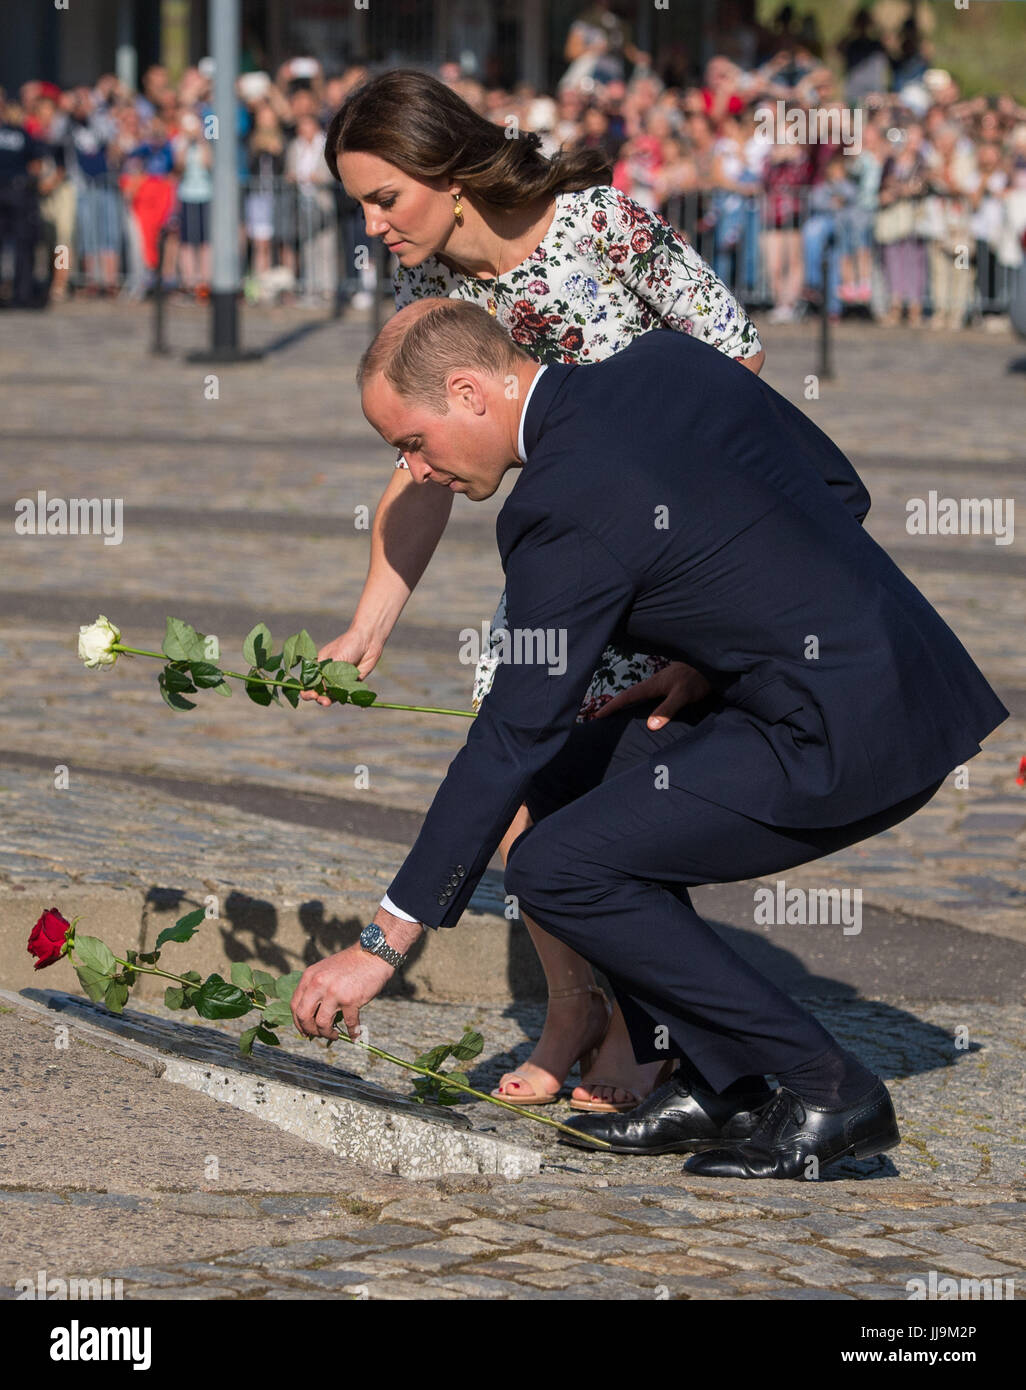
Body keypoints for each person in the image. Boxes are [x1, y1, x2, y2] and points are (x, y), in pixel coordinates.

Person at [291, 297, 1007, 1178]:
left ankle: (830, 1091)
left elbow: (508, 736)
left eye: (411, 441)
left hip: (846, 731)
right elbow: (836, 490)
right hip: (874, 681)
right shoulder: (666, 363)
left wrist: (381, 946)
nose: (415, 470)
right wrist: (708, 659)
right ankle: (721, 1080)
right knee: (563, 783)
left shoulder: (557, 507)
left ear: (469, 392)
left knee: (558, 867)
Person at [314, 67, 765, 1114]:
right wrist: (367, 623)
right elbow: (421, 459)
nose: (375, 225)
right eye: (361, 207)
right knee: (516, 795)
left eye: (386, 197)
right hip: (558, 570)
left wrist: (715, 579)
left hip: (667, 561)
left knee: (626, 791)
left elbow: (737, 366)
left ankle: (655, 1033)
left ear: (446, 173)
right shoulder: (427, 293)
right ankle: (574, 1010)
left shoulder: (600, 225)